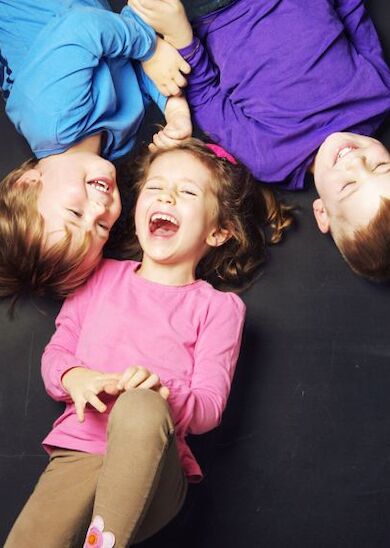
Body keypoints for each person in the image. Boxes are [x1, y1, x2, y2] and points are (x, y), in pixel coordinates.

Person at [5, 138, 293, 547]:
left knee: (140, 406)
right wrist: (75, 378)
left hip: (157, 470)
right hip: (79, 453)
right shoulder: (99, 277)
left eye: (188, 192)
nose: (168, 196)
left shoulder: (218, 308)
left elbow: (209, 408)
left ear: (218, 231)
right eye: (155, 188)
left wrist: (161, 392)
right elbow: (57, 353)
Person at [128, 0, 390, 281]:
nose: (355, 161)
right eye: (381, 166)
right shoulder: (379, 96)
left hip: (216, 11)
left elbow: (207, 96)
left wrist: (182, 39)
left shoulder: (271, 159)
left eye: (348, 185)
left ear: (322, 212)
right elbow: (352, 11)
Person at [0, 0, 192, 301]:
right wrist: (173, 106)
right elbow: (131, 70)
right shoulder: (115, 145)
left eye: (75, 213)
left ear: (28, 182)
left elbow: (84, 27)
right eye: (101, 227)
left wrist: (151, 49)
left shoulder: (51, 116)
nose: (99, 209)